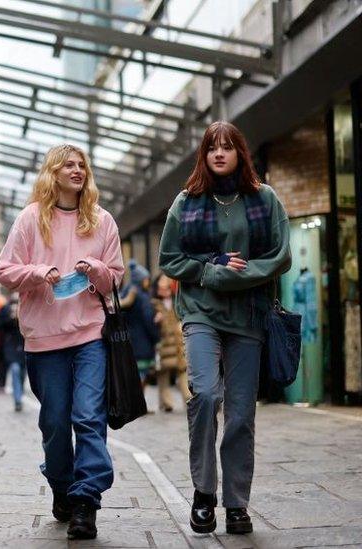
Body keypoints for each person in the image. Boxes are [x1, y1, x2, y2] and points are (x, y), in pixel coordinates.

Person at [159, 121, 291, 536]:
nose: (219, 153)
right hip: (201, 312)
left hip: (248, 317)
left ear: (239, 153)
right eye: (212, 147)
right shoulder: (187, 201)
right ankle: (203, 491)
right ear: (204, 154)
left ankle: (236, 503)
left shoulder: (264, 199)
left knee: (240, 414)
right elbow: (170, 259)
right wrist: (211, 271)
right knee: (206, 393)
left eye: (227, 147)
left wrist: (241, 275)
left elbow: (280, 256)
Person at [0, 144, 124, 540]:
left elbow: (116, 277)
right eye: (68, 164)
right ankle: (61, 485)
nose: (77, 169)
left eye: (82, 164)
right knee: (54, 424)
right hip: (44, 338)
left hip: (90, 335)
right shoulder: (31, 218)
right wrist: (37, 272)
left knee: (88, 417)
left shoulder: (102, 221)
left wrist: (98, 269)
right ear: (53, 172)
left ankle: (86, 500)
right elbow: (3, 270)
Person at [151, 274, 191, 412]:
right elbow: (149, 323)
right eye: (162, 288)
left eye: (167, 287)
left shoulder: (176, 301)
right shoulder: (154, 303)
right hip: (163, 343)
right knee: (163, 373)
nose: (164, 290)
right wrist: (155, 320)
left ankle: (188, 398)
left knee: (182, 370)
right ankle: (165, 402)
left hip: (177, 342)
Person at [120, 260, 160, 394]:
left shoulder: (126, 292)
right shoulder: (142, 297)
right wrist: (156, 337)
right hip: (143, 341)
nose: (148, 282)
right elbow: (148, 319)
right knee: (142, 373)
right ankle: (138, 403)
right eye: (146, 279)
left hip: (129, 340)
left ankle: (137, 403)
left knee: (135, 373)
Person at [0, 299, 26, 412]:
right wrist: (11, 317)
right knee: (15, 371)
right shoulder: (6, 312)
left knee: (22, 375)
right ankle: (18, 399)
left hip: (25, 349)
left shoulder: (26, 305)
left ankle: (19, 394)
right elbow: (0, 326)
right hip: (11, 349)